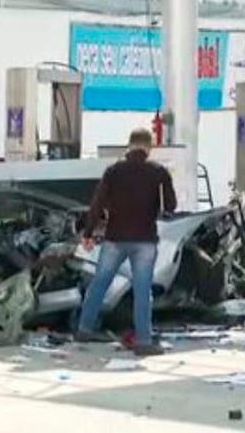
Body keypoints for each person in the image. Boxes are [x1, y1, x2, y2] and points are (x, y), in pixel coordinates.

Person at [75, 128, 177, 357]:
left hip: (115, 237)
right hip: (145, 240)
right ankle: (143, 341)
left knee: (99, 283)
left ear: (129, 146)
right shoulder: (158, 172)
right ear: (149, 148)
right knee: (142, 290)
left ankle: (84, 329)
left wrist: (88, 233)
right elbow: (170, 206)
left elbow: (97, 204)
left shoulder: (113, 171)